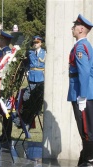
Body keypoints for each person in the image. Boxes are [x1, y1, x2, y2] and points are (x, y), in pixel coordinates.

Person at [67, 14, 93, 166]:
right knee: (86, 129)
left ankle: (88, 161)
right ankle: (85, 159)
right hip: (84, 91)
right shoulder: (84, 45)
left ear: (81, 29)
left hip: (81, 93)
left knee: (86, 129)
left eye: (75, 25)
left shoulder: (81, 47)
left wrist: (82, 95)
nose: (73, 28)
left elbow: (83, 72)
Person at [0, 31, 14, 143]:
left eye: (0, 39)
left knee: (6, 110)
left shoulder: (6, 53)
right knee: (3, 110)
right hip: (1, 85)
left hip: (4, 86)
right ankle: (5, 133)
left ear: (4, 40)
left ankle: (6, 134)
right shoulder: (3, 51)